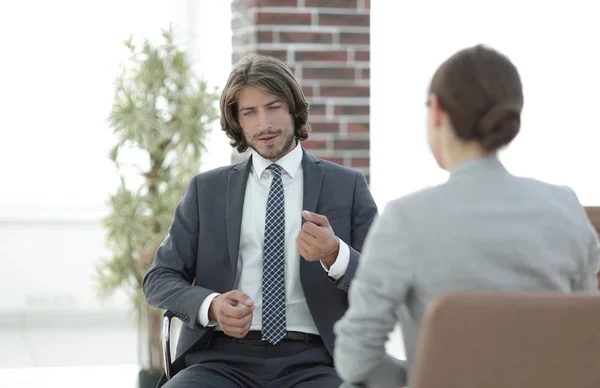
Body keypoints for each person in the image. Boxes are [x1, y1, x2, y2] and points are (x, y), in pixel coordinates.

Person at [333, 44, 600, 387]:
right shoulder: (566, 208)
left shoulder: (405, 219)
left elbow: (355, 360)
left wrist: (415, 377)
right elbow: (587, 339)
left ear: (437, 113)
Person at [142, 53, 378, 387]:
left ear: (293, 109)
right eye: (249, 112)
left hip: (317, 360)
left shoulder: (347, 186)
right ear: (236, 121)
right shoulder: (206, 190)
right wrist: (211, 306)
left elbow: (381, 282)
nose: (263, 124)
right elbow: (159, 279)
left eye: (273, 107)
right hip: (219, 359)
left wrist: (334, 253)